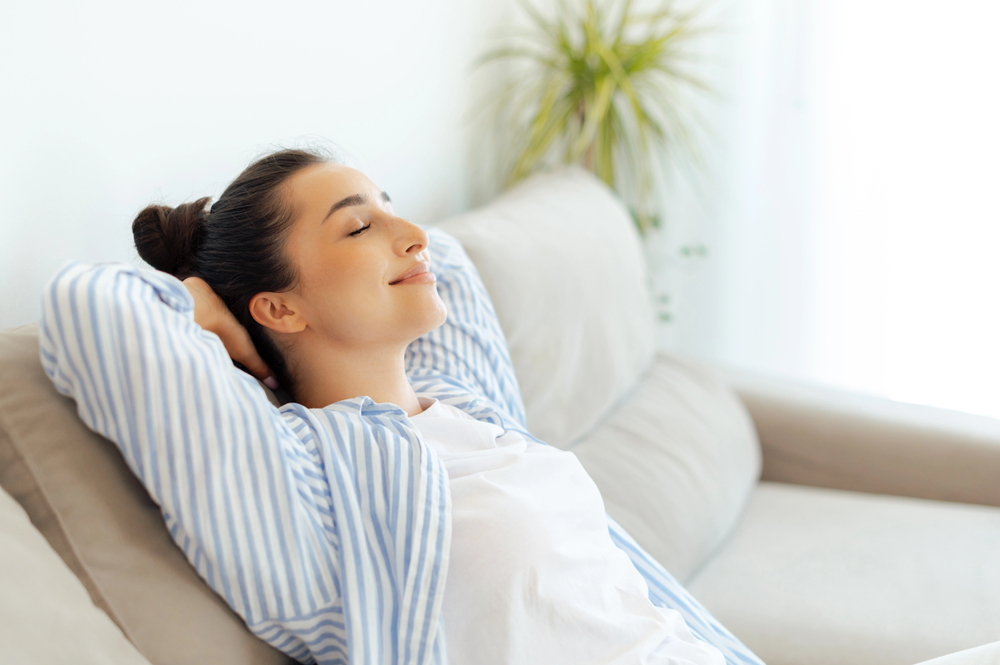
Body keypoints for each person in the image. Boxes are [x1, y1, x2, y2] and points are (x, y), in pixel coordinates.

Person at [39, 148, 762, 665]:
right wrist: (203, 302)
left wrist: (362, 225)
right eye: (358, 227)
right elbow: (89, 307)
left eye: (390, 207)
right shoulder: (313, 485)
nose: (408, 234)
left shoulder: (464, 401)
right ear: (279, 307)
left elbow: (439, 251)